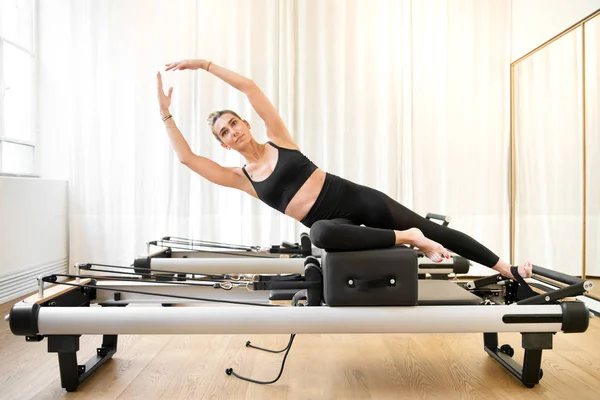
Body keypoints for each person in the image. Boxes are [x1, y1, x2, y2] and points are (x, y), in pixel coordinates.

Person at [156, 59, 532, 280]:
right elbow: (188, 158)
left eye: (233, 123)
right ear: (223, 144)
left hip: (354, 198)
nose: (232, 132)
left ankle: (506, 268)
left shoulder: (279, 139)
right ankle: (409, 238)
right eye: (224, 133)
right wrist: (166, 113)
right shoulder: (244, 179)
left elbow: (251, 87)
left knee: (432, 227)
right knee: (319, 234)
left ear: (245, 123)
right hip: (337, 227)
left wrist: (203, 65)